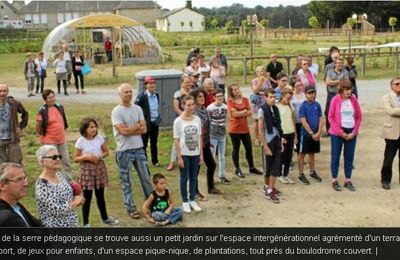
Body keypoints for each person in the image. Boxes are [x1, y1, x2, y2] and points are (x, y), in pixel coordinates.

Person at [111, 83, 153, 219]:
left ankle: (151, 203)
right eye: (125, 92)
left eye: (130, 91)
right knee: (126, 181)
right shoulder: (116, 111)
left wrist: (131, 129)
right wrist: (136, 127)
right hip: (124, 151)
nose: (129, 94)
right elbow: (123, 132)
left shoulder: (138, 109)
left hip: (139, 149)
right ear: (120, 95)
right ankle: (131, 207)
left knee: (146, 178)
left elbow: (144, 129)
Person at [73, 118, 119, 227]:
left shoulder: (100, 139)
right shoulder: (81, 141)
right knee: (87, 198)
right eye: (91, 127)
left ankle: (105, 218)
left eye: (95, 127)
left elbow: (106, 152)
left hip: (99, 168)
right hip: (86, 170)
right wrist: (87, 157)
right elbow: (75, 158)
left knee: (100, 196)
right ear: (84, 129)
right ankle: (86, 223)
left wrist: (98, 156)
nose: (94, 129)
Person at [35, 145, 84, 227]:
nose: (58, 159)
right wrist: (75, 202)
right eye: (54, 157)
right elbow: (57, 210)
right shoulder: (42, 185)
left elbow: (67, 198)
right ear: (42, 161)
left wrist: (77, 198)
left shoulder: (59, 175)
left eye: (59, 156)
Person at [328, 80, 362, 191]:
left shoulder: (353, 99)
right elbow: (331, 117)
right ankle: (334, 179)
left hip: (351, 131)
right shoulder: (335, 100)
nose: (349, 91)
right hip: (337, 133)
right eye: (346, 89)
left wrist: (354, 132)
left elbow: (358, 117)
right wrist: (340, 132)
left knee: (349, 157)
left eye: (350, 89)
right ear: (341, 90)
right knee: (335, 156)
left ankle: (348, 180)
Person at [173, 95, 203, 213]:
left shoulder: (197, 119)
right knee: (184, 177)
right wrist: (179, 157)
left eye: (192, 104)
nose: (191, 107)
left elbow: (200, 136)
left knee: (194, 177)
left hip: (195, 152)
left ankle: (192, 199)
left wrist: (201, 154)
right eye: (188, 105)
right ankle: (185, 200)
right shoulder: (178, 121)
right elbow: (176, 139)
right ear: (183, 105)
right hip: (184, 153)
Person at [191, 88, 222, 195]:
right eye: (199, 97)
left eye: (203, 96)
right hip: (196, 144)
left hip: (205, 143)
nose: (202, 98)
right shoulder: (193, 112)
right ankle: (195, 192)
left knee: (212, 165)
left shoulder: (204, 110)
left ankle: (211, 187)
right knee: (196, 169)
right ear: (194, 99)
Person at [227, 84, 262, 178]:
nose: (236, 90)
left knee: (249, 148)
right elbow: (234, 114)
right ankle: (237, 168)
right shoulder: (230, 101)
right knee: (236, 149)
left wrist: (241, 113)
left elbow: (251, 112)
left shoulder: (245, 99)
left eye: (237, 88)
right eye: (234, 89)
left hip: (244, 129)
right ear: (231, 92)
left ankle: (251, 167)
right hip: (234, 129)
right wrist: (244, 112)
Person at [36, 89, 72, 180]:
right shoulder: (42, 110)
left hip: (61, 139)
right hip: (49, 141)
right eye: (49, 97)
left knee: (65, 161)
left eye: (53, 96)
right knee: (53, 162)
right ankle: (52, 180)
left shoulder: (59, 106)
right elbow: (39, 127)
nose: (52, 99)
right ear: (45, 99)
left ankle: (68, 181)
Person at [258, 88, 284, 203]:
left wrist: (281, 140)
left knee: (276, 165)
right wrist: (265, 146)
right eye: (270, 97)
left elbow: (278, 126)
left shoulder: (276, 109)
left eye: (274, 97)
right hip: (268, 141)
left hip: (276, 139)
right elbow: (260, 130)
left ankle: (270, 188)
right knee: (268, 168)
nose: (273, 99)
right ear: (265, 98)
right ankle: (268, 189)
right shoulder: (262, 110)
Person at [0, 162, 41, 227]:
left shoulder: (15, 205)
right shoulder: (7, 217)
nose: (26, 184)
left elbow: (38, 225)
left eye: (24, 178)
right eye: (18, 180)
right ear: (2, 186)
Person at [297, 86, 323, 185]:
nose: (312, 95)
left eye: (313, 93)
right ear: (306, 94)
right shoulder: (303, 106)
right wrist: (311, 133)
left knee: (312, 153)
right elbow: (303, 121)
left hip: (316, 134)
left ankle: (312, 171)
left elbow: (320, 119)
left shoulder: (317, 105)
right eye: (309, 93)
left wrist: (319, 132)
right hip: (306, 135)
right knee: (302, 154)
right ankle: (301, 174)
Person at [166, 76, 193, 171]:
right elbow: (176, 108)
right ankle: (172, 162)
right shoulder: (177, 94)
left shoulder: (193, 92)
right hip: (181, 120)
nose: (188, 84)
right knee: (176, 141)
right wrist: (184, 115)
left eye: (189, 82)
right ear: (182, 83)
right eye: (186, 82)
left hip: (192, 119)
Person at [135, 75, 161, 167]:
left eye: (153, 83)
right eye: (150, 83)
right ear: (146, 85)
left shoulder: (156, 95)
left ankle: (155, 160)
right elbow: (136, 109)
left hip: (155, 122)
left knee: (154, 142)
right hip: (146, 124)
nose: (152, 85)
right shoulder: (142, 96)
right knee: (144, 143)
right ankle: (144, 161)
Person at [0, 84, 28, 165]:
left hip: (12, 137)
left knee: (15, 163)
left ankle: (16, 177)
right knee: (1, 165)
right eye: (0, 91)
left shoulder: (14, 103)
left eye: (4, 91)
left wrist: (20, 126)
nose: (2, 93)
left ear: (8, 92)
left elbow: (25, 114)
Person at [380, 77, 400, 190]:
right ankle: (385, 179)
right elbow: (390, 111)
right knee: (389, 158)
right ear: (391, 86)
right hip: (391, 132)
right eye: (397, 84)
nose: (399, 85)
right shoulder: (386, 98)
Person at [207, 89, 230, 185]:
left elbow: (227, 119)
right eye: (217, 96)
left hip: (222, 135)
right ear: (214, 97)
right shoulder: (210, 108)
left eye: (221, 96)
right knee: (212, 157)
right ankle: (211, 176)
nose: (220, 98)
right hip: (213, 135)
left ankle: (222, 175)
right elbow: (208, 121)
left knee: (222, 156)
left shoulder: (225, 107)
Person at [277, 87, 297, 184]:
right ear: (282, 96)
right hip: (283, 133)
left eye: (290, 98)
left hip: (291, 132)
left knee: (289, 155)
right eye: (287, 98)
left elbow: (292, 119)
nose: (288, 100)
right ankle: (279, 174)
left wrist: (295, 133)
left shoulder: (290, 106)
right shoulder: (277, 106)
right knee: (282, 154)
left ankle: (286, 174)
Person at [325, 57, 349, 136]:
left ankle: (341, 129)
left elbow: (346, 83)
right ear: (335, 64)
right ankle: (329, 130)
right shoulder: (329, 71)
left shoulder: (345, 72)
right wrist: (339, 81)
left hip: (341, 95)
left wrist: (333, 81)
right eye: (338, 63)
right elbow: (328, 82)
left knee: (340, 112)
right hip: (331, 94)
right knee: (329, 112)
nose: (340, 65)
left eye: (341, 63)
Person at [250, 66, 271, 145]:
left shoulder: (267, 81)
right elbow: (255, 90)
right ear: (257, 73)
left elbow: (270, 90)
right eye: (259, 71)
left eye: (262, 71)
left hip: (265, 101)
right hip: (257, 102)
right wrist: (260, 82)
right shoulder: (254, 81)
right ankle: (256, 138)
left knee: (264, 120)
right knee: (257, 120)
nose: (261, 73)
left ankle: (263, 137)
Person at [291, 80, 306, 154]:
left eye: (300, 85)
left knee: (302, 138)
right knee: (294, 137)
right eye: (297, 85)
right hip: (293, 120)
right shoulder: (291, 96)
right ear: (293, 87)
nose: (299, 87)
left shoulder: (304, 95)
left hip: (303, 121)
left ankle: (301, 155)